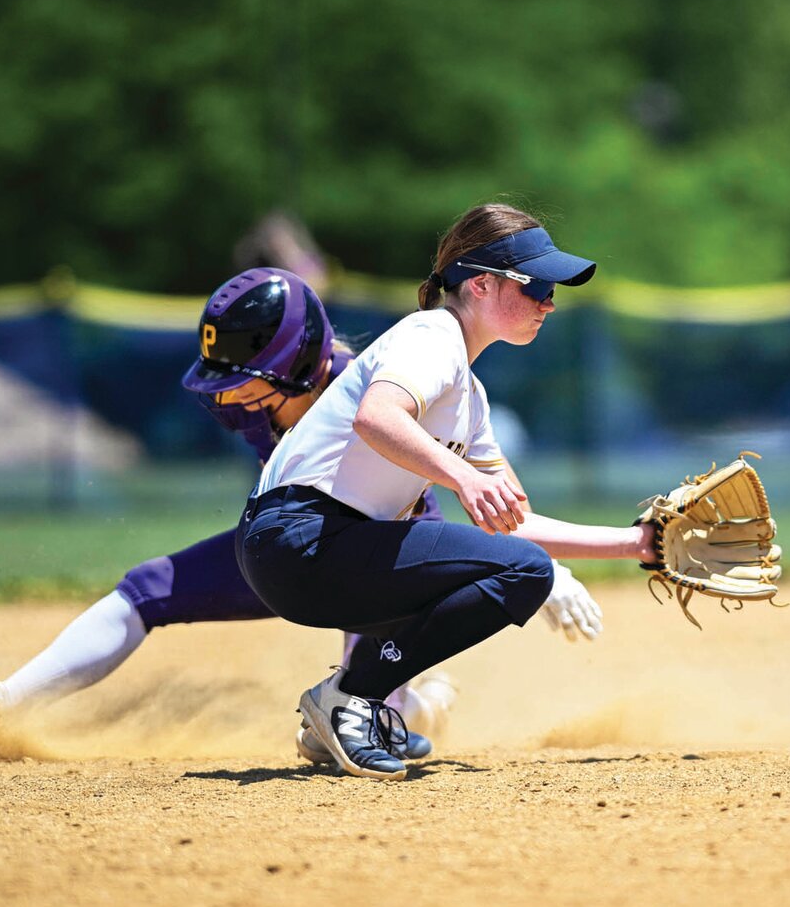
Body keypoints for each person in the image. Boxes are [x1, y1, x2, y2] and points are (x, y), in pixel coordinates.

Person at [0, 267, 604, 762]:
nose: (236, 401)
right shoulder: (260, 403)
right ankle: (3, 704)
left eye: (252, 385)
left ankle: (411, 705)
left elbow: (423, 517)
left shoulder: (380, 384)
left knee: (379, 700)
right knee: (150, 587)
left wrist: (544, 572)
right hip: (300, 549)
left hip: (389, 546)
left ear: (306, 367)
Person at [238, 202, 659, 781]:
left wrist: (640, 544)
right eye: (535, 285)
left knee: (520, 567)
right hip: (299, 537)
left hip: (312, 553)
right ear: (481, 285)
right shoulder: (432, 334)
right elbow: (377, 417)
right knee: (526, 573)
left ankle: (345, 709)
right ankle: (352, 698)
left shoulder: (471, 399)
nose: (549, 302)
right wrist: (462, 476)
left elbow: (514, 525)